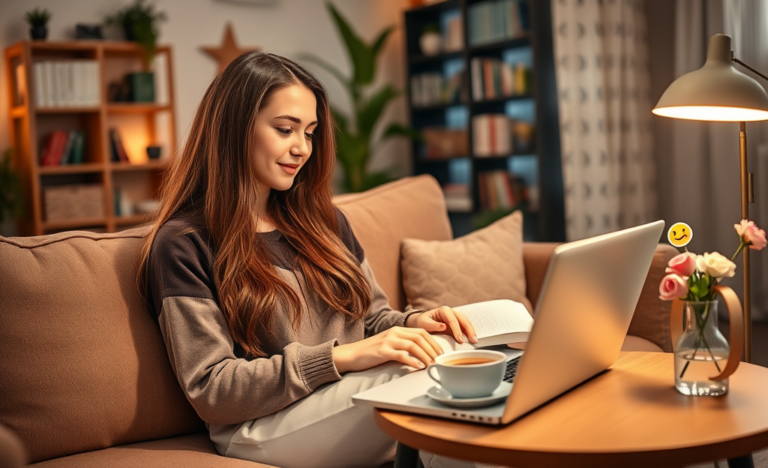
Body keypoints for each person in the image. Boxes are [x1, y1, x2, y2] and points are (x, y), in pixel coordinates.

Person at [139, 52, 499, 468]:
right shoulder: (184, 243)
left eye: (309, 133)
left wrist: (416, 322)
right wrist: (342, 357)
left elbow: (373, 318)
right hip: (259, 425)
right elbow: (212, 389)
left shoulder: (323, 221)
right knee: (424, 377)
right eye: (285, 129)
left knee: (453, 352)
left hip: (343, 395)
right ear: (234, 129)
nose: (302, 148)